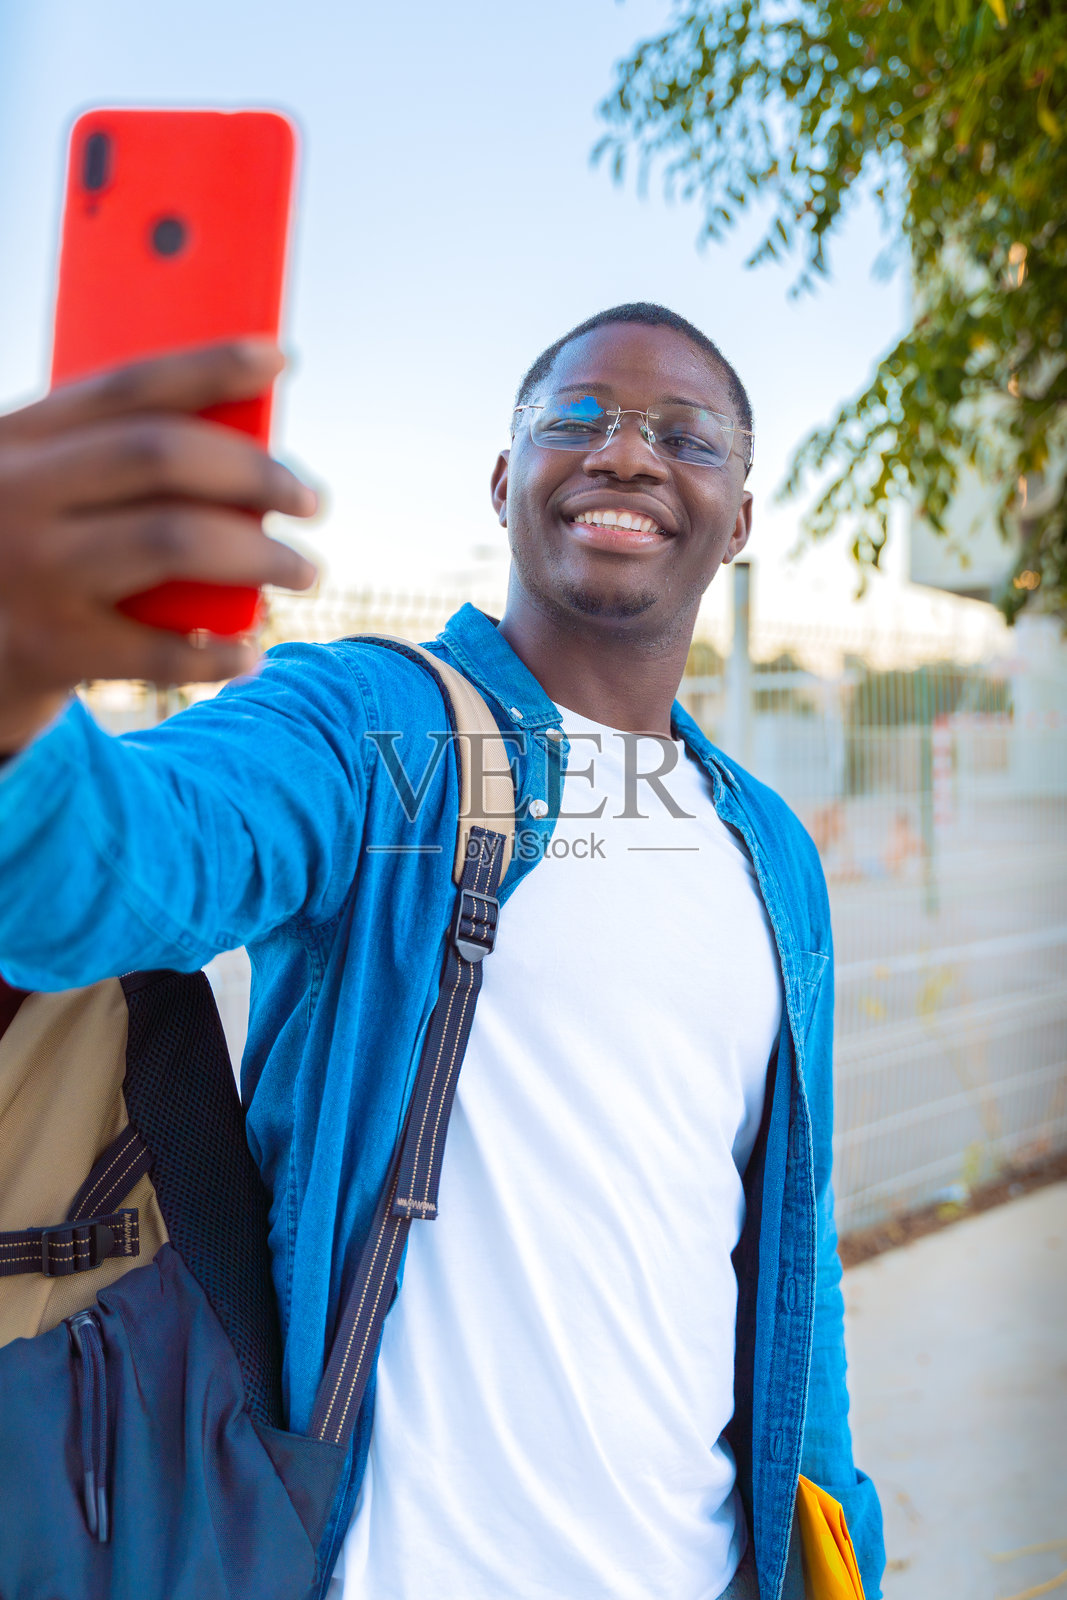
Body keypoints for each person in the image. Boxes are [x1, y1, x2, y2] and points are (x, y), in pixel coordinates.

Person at [0, 303, 884, 1600]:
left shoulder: (769, 851)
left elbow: (794, 1265)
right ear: (503, 478)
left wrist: (841, 1547)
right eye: (576, 419)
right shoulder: (374, 727)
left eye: (685, 435)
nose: (626, 454)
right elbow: (112, 876)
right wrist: (18, 692)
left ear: (740, 518)